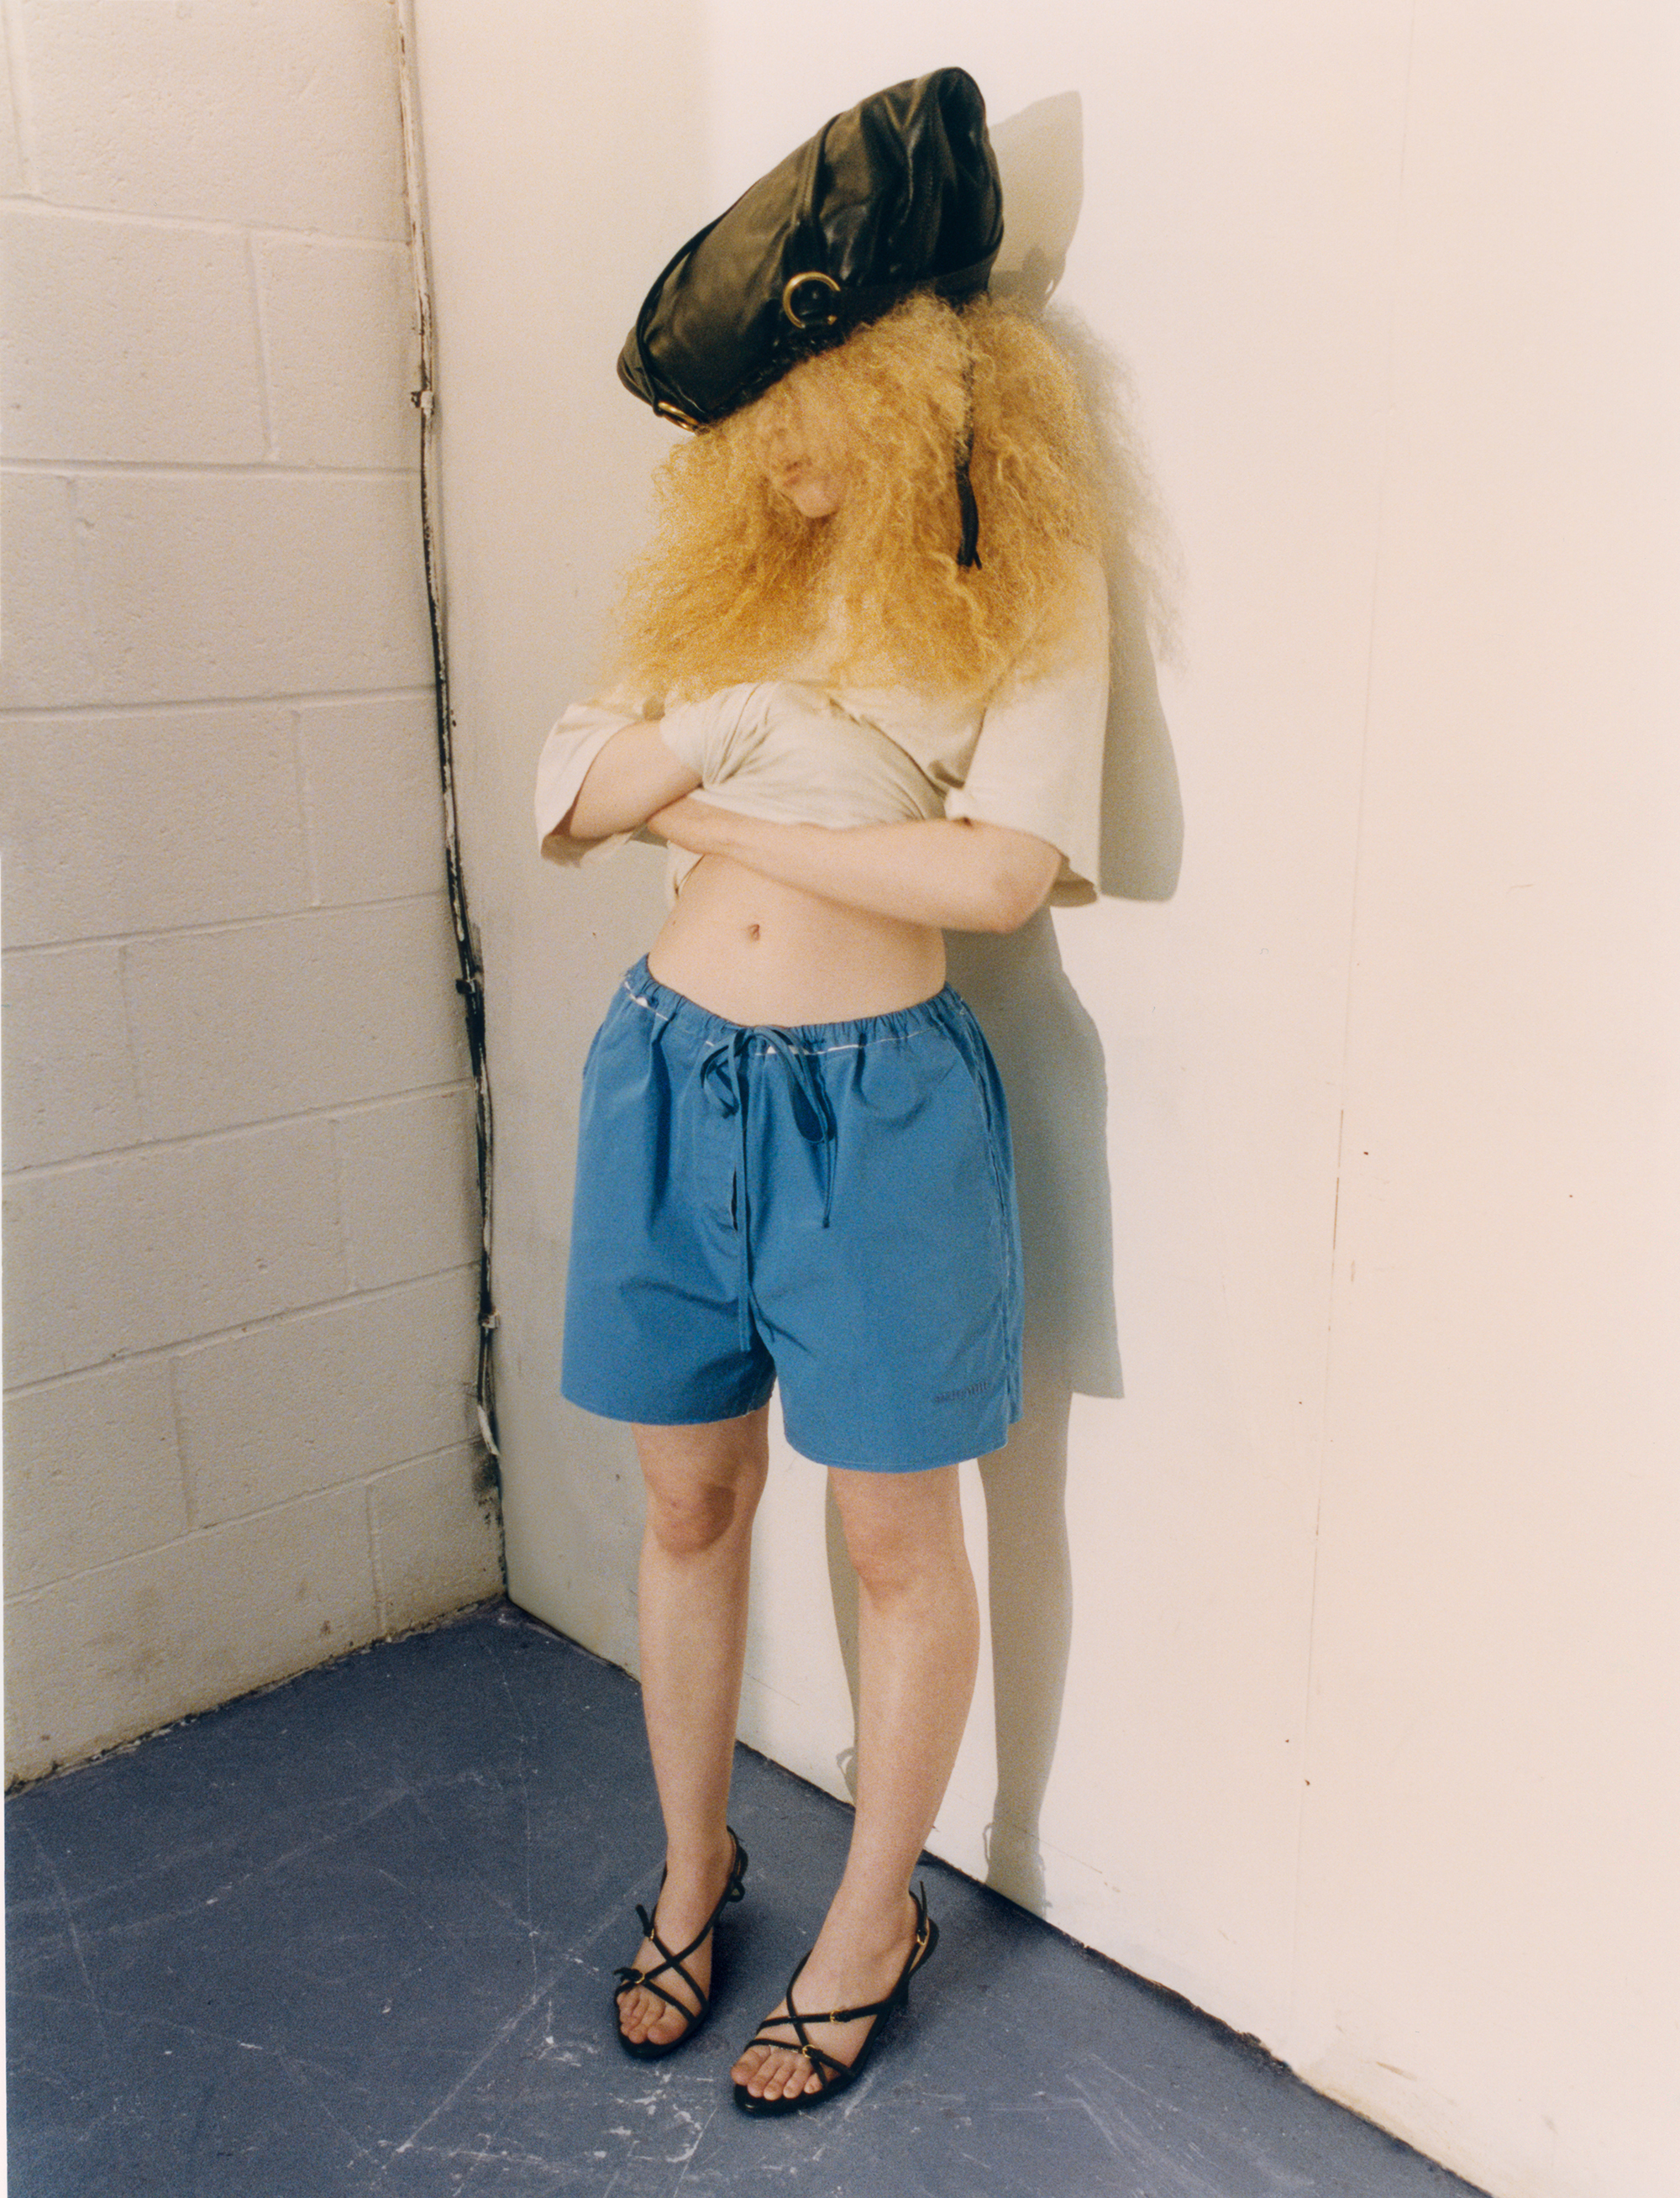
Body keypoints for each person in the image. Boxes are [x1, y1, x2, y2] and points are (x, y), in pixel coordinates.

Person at [534, 71, 1113, 2114]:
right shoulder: (727, 586)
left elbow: (998, 876)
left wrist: (721, 795)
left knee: (894, 1540)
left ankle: (876, 1915)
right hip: (667, 1077)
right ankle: (695, 1865)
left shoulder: (1020, 581)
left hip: (878, 1112)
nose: (778, 463)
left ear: (908, 396)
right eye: (755, 431)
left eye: (810, 419)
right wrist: (735, 732)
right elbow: (569, 792)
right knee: (687, 1500)